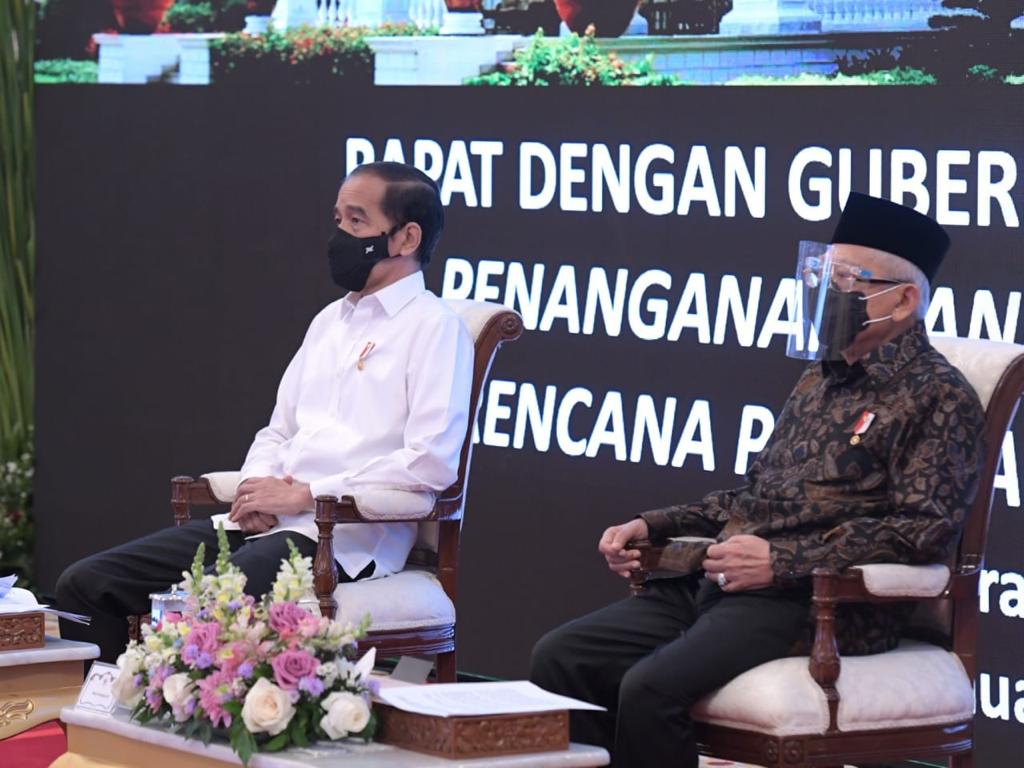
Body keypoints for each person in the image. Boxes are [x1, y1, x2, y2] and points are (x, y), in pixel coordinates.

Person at [529, 193, 985, 768]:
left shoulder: (939, 395)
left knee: (650, 689)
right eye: (821, 274)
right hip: (728, 584)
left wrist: (784, 562)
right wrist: (655, 524)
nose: (825, 293)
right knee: (563, 658)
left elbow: (921, 531)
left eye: (845, 279)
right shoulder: (818, 380)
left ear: (903, 300)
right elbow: (757, 498)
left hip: (819, 602)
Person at [57, 162, 474, 663]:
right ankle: (106, 732)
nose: (339, 235)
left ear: (407, 237)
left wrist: (304, 494)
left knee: (200, 608)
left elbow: (431, 463)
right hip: (267, 523)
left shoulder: (435, 328)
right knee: (88, 584)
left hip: (339, 537)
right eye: (337, 219)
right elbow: (279, 430)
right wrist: (257, 488)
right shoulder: (330, 321)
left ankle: (182, 735)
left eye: (357, 222)